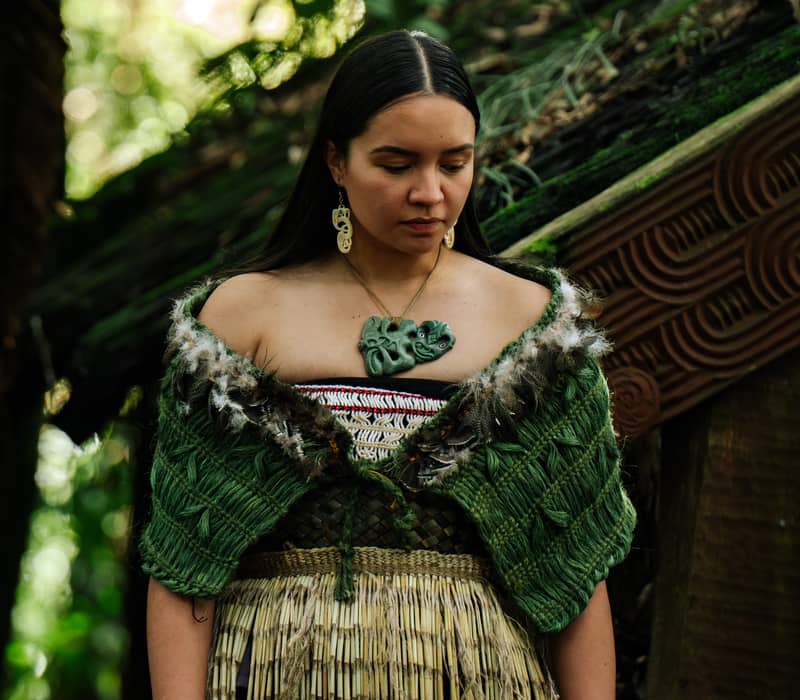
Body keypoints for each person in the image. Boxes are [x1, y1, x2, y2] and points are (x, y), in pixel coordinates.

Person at [141, 29, 636, 700]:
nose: (429, 192)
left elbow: (575, 578)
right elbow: (182, 571)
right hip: (271, 671)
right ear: (335, 163)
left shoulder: (534, 324)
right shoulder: (238, 319)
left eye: (454, 163)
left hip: (481, 675)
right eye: (396, 164)